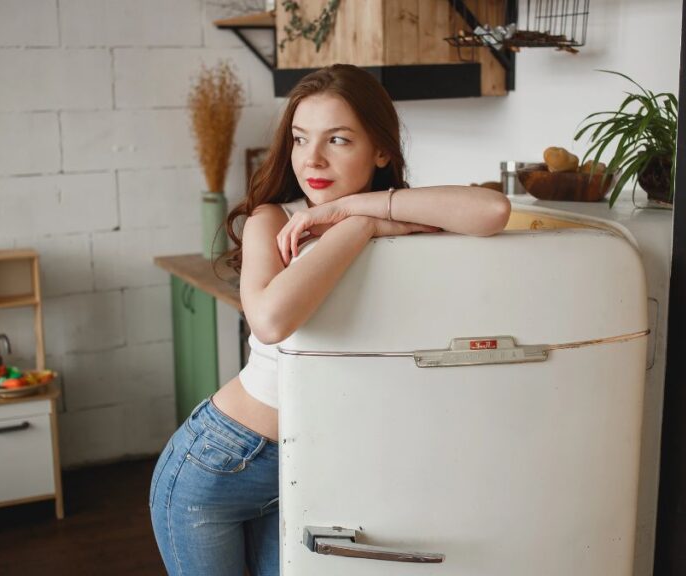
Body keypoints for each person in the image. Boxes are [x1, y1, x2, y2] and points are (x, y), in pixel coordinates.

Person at [149, 63, 511, 576]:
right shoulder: (273, 220)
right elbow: (271, 321)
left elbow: (493, 212)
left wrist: (354, 208)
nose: (311, 159)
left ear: (380, 150)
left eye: (337, 139)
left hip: (315, 465)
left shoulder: (393, 211)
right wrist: (360, 224)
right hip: (221, 467)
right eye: (300, 139)